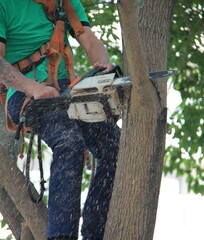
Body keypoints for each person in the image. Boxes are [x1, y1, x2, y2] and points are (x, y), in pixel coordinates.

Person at [0, 0, 120, 240]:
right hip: (23, 93)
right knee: (70, 142)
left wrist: (103, 63)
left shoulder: (65, 2)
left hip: (67, 90)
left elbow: (90, 40)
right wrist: (32, 87)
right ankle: (61, 236)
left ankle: (95, 233)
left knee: (115, 147)